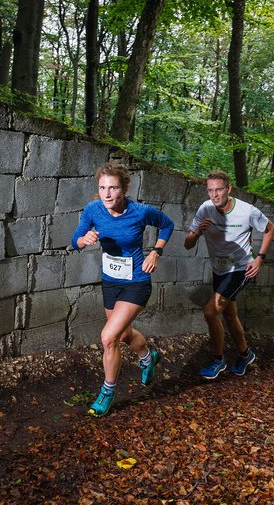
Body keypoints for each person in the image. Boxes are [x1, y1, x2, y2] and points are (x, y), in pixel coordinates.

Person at [71, 162, 174, 417]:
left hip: (137, 282)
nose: (107, 194)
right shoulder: (94, 209)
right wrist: (84, 240)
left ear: (124, 189)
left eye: (113, 188)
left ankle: (107, 391)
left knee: (108, 337)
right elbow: (76, 239)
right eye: (102, 187)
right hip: (111, 281)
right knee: (124, 334)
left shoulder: (140, 212)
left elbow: (167, 224)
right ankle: (148, 357)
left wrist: (156, 252)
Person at [184, 170, 274, 379]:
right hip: (220, 269)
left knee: (210, 311)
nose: (214, 195)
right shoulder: (205, 209)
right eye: (210, 190)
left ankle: (218, 360)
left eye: (218, 190)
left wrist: (260, 257)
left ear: (229, 189)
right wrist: (198, 231)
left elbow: (270, 228)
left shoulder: (247, 211)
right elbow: (188, 244)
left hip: (241, 268)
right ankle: (245, 353)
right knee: (229, 314)